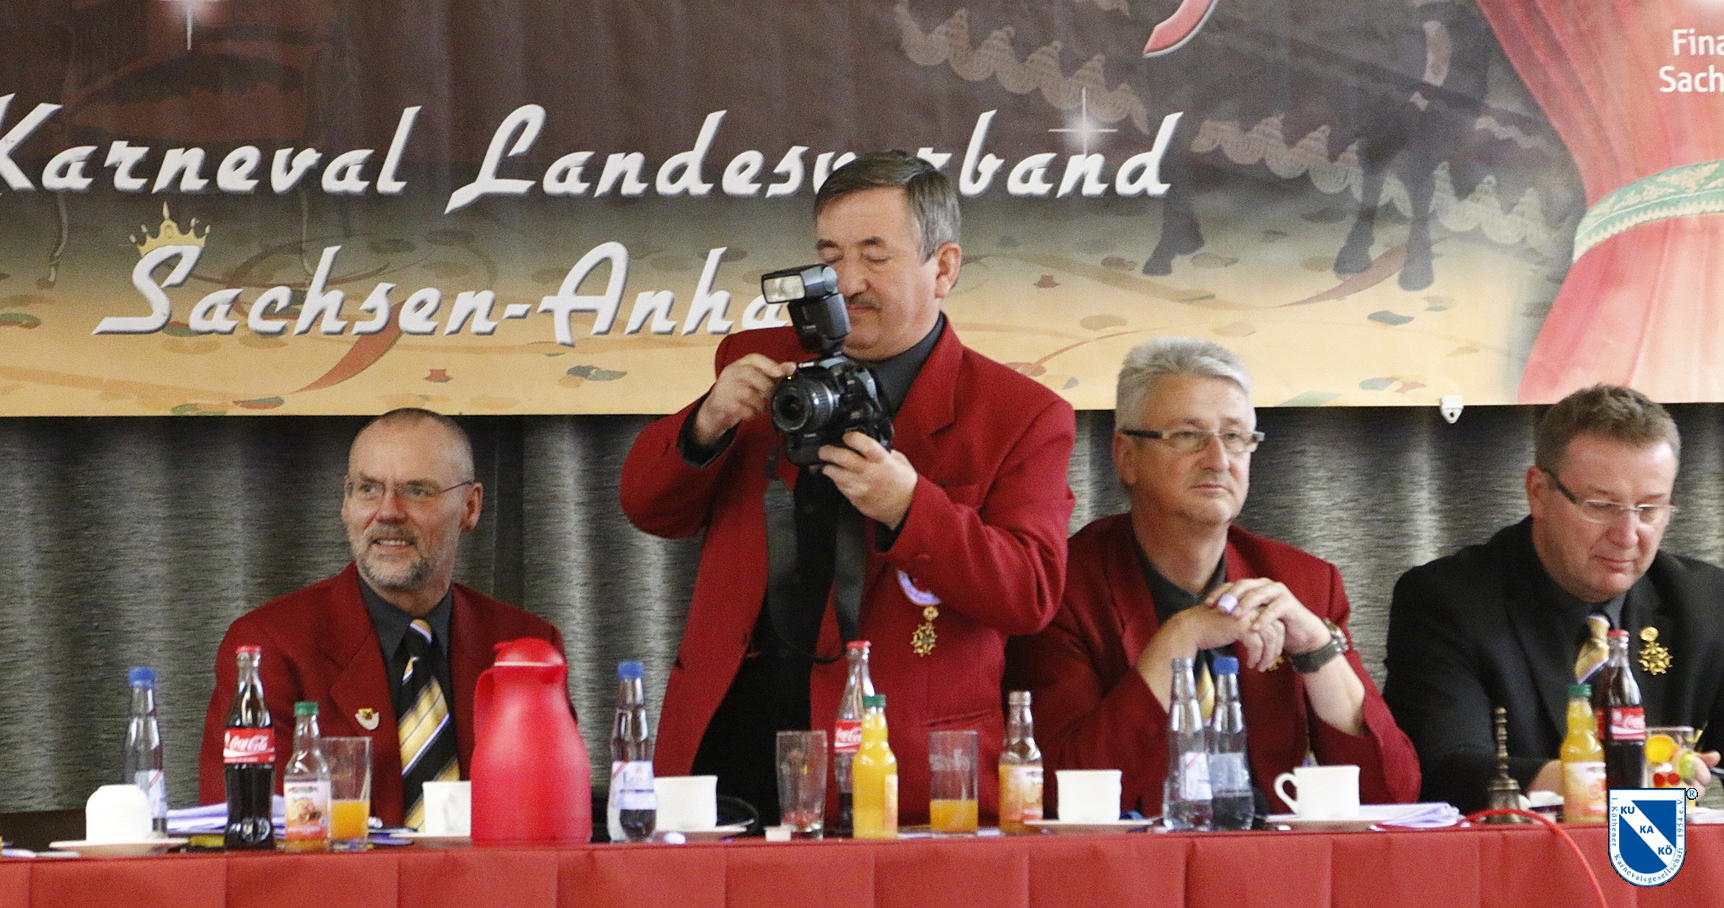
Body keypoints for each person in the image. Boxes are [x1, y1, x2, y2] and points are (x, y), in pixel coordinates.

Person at [621, 151, 1075, 824]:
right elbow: (648, 509)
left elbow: (1030, 592)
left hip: (896, 755)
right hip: (732, 731)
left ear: (944, 268)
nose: (845, 281)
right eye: (829, 256)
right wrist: (705, 423)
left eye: (874, 255)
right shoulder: (764, 363)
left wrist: (909, 507)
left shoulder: (1018, 414)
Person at [1007, 337, 1419, 817]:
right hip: (1136, 857)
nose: (1219, 459)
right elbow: (1060, 795)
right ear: (1126, 456)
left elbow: (1393, 795)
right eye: (1188, 435)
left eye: (1235, 436)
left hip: (1270, 853)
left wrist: (1316, 649)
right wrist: (1179, 639)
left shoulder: (1304, 582)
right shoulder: (1062, 587)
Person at [199, 409, 564, 827]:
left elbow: (552, 820)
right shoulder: (271, 646)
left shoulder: (527, 646)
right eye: (369, 489)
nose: (388, 512)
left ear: (470, 507)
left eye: (417, 491)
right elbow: (250, 833)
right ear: (346, 503)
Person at [1385, 384, 1724, 811]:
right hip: (1514, 850)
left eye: (1649, 509)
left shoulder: (1707, 601)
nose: (1627, 536)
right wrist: (1619, 778)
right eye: (1600, 505)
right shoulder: (1447, 600)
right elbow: (1443, 768)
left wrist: (1685, 784)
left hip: (1659, 847)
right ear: (1539, 493)